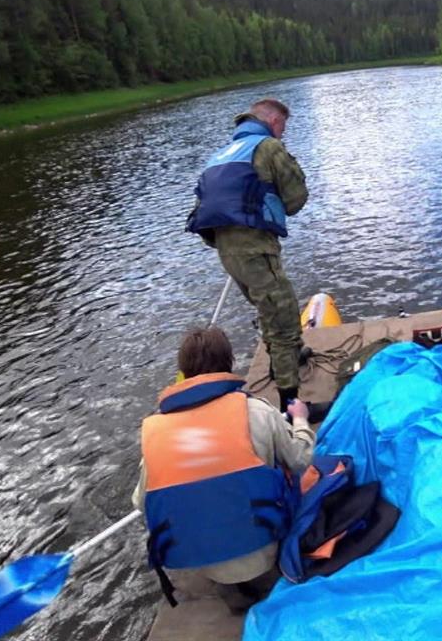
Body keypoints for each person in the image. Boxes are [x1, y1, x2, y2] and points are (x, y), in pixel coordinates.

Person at [133, 326, 314, 610]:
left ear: (183, 372)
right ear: (228, 364)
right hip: (263, 547)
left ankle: (235, 598)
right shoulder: (258, 411)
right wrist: (301, 420)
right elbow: (301, 460)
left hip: (203, 559)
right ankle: (274, 587)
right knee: (284, 472)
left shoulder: (156, 430)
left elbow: (142, 503)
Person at [186, 99, 309, 406]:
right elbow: (295, 200)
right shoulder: (268, 147)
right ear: (274, 121)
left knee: (266, 309)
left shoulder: (220, 155)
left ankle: (283, 361)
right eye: (283, 127)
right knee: (282, 318)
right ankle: (290, 404)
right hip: (255, 248)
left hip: (227, 251)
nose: (282, 133)